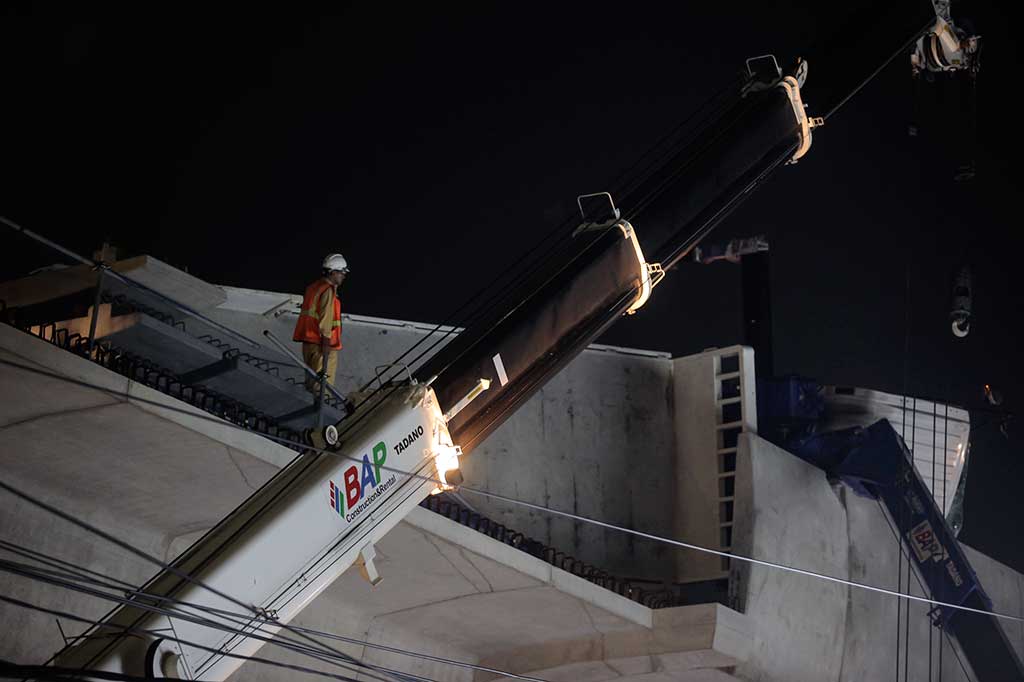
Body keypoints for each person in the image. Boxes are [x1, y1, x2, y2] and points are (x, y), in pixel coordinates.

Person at [293, 253, 348, 397]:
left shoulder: (313, 287)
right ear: (333, 272)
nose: (343, 276)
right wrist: (326, 346)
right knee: (322, 389)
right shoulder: (327, 290)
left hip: (309, 343)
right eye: (342, 272)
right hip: (322, 345)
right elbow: (326, 319)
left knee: (311, 384)